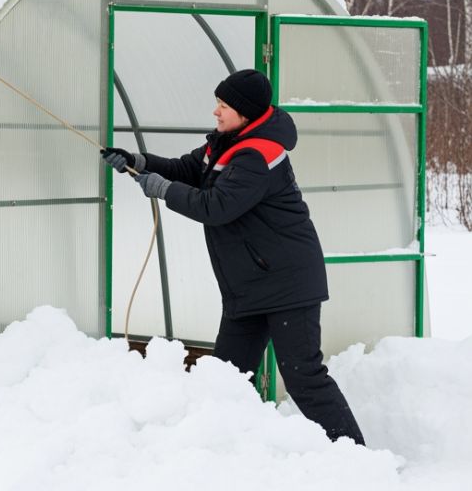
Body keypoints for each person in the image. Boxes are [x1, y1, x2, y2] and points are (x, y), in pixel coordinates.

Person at [100, 68, 365, 446]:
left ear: (246, 113)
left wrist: (163, 190)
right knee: (225, 377)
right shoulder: (226, 143)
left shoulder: (259, 154)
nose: (216, 112)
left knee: (303, 375)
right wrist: (140, 162)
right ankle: (226, 459)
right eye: (217, 103)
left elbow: (217, 206)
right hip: (249, 286)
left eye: (223, 106)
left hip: (287, 282)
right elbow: (188, 168)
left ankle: (354, 456)